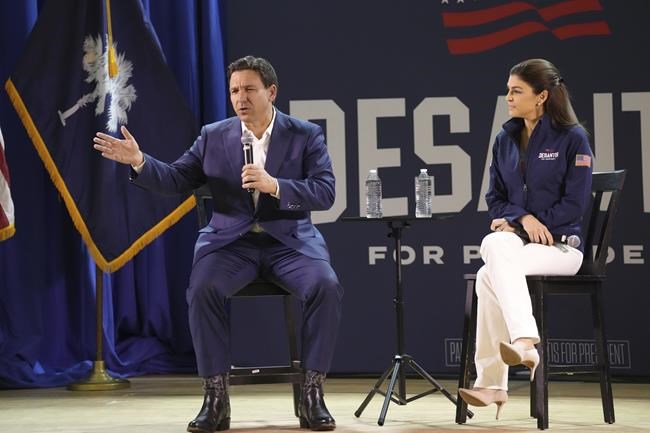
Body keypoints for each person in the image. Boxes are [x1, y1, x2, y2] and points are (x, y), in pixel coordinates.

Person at [93, 55, 343, 432]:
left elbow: (325, 192)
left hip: (289, 243)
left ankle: (312, 394)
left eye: (249, 89)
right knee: (202, 289)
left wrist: (275, 185)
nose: (240, 98)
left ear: (271, 92)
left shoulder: (305, 134)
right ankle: (215, 398)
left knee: (326, 286)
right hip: (231, 244)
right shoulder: (213, 135)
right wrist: (141, 161)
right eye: (234, 91)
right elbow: (177, 178)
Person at [458, 58, 593, 419]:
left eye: (517, 91)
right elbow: (494, 198)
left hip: (563, 247)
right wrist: (523, 219)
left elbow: (575, 205)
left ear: (542, 96)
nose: (508, 97)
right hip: (521, 244)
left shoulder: (573, 138)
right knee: (492, 251)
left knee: (490, 266)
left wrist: (522, 225)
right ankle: (522, 345)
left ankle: (497, 376)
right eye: (508, 90)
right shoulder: (504, 139)